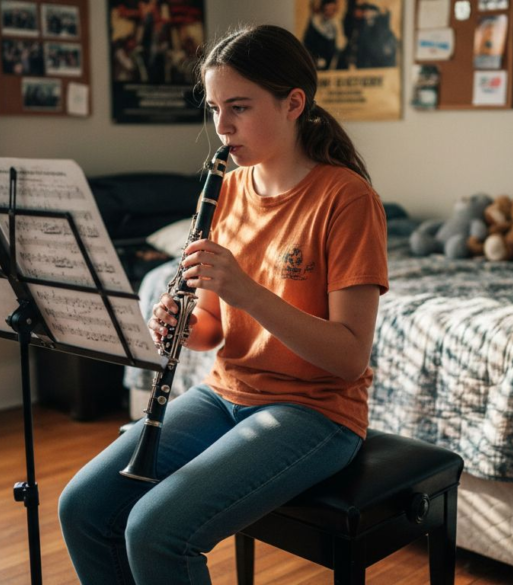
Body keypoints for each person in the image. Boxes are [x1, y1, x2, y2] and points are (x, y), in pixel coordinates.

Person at [58, 24, 389, 585]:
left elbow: (350, 357)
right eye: (214, 108)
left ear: (293, 103)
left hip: (316, 412)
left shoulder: (346, 198)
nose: (223, 127)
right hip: (224, 394)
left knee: (157, 531)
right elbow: (214, 328)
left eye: (239, 106)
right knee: (83, 507)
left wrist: (246, 290)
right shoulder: (228, 190)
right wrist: (184, 325)